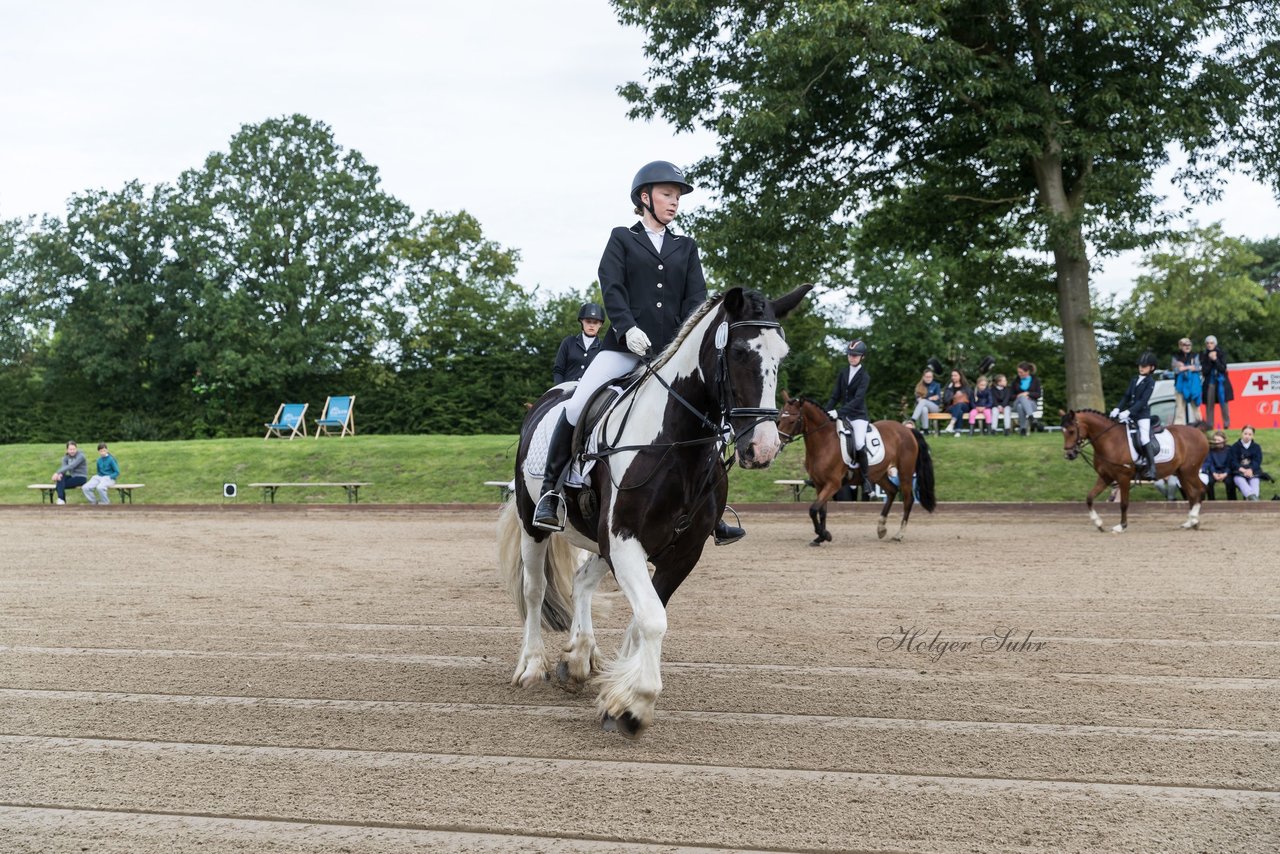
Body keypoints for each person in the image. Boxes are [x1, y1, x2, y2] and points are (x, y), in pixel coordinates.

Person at [533, 160, 745, 546]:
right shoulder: (622, 239)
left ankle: (711, 508)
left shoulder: (686, 247)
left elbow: (697, 300)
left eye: (677, 196)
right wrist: (627, 327)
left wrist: (685, 344)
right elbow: (612, 286)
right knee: (578, 404)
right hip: (625, 349)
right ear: (644, 197)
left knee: (706, 413)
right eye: (667, 194)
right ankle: (550, 491)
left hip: (672, 355)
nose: (674, 202)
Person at [826, 339, 872, 491]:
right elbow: (835, 395)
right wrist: (825, 411)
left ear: (862, 357)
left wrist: (838, 412)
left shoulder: (864, 376)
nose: (852, 357)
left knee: (859, 443)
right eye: (850, 355)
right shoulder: (843, 372)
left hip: (858, 416)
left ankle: (866, 479)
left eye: (855, 355)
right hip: (844, 416)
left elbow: (858, 399)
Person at [1111, 351, 1159, 479]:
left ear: (1152, 368)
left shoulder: (1150, 382)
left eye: (1145, 366)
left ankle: (1152, 468)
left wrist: (1128, 411)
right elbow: (1126, 396)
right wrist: (1117, 408)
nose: (1141, 368)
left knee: (1144, 437)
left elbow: (1143, 401)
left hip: (1142, 414)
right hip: (1131, 414)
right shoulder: (1134, 379)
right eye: (1140, 366)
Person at [552, 302, 605, 384]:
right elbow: (558, 370)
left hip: (591, 392)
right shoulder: (568, 342)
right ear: (582, 321)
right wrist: (560, 390)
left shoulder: (603, 348)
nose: (591, 325)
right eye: (588, 321)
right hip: (567, 390)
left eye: (595, 322)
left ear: (600, 324)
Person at [1201, 335, 1234, 431]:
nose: (1209, 345)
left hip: (1221, 383)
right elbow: (1205, 371)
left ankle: (1226, 424)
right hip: (1209, 383)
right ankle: (1210, 425)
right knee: (1209, 405)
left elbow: (1223, 368)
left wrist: (1215, 359)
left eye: (1211, 343)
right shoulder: (1204, 355)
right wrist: (1210, 361)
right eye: (1207, 343)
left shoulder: (1221, 353)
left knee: (1224, 404)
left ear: (1215, 344)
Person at [1171, 337, 1201, 426]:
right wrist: (1189, 367)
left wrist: (1184, 367)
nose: (1187, 347)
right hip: (1180, 385)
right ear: (1180, 346)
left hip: (1193, 385)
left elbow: (1198, 367)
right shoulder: (1176, 356)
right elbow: (1175, 369)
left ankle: (1200, 424)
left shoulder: (1195, 355)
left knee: (1196, 406)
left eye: (1189, 345)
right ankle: (1179, 426)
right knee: (1180, 406)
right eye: (1184, 345)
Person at [1229, 425, 1264, 501]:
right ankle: (1252, 498)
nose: (1247, 436)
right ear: (1241, 434)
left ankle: (1254, 500)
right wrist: (1243, 470)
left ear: (1253, 436)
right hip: (1238, 471)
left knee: (1254, 482)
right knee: (1240, 481)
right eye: (1245, 433)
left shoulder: (1256, 447)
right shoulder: (1235, 447)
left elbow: (1258, 460)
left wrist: (1250, 469)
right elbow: (1232, 461)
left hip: (1253, 471)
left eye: (1250, 434)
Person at [1201, 430, 1236, 501]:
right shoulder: (1211, 450)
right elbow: (1210, 462)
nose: (1217, 442)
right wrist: (1214, 473)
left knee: (1230, 482)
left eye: (1219, 440)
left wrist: (1225, 473)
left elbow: (1230, 463)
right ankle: (1211, 501)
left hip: (1226, 471)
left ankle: (1232, 501)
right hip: (1214, 471)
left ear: (1224, 440)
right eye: (1215, 440)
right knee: (1209, 482)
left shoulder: (1229, 449)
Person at [51, 440, 88, 505]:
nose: (72, 451)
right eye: (70, 449)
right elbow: (64, 468)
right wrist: (60, 474)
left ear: (76, 448)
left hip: (81, 477)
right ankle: (62, 500)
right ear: (67, 450)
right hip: (73, 476)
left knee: (59, 485)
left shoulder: (81, 456)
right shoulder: (65, 457)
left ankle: (61, 499)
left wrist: (57, 473)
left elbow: (72, 466)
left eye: (74, 449)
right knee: (60, 479)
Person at [1013, 362, 1042, 436]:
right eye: (1018, 372)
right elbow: (1010, 395)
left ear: (1027, 372)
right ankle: (1031, 417)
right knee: (1021, 399)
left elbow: (1038, 394)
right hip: (1016, 402)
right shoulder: (1016, 381)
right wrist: (1019, 396)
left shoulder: (1036, 380)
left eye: (1021, 372)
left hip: (1032, 404)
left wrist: (1028, 394)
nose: (1019, 374)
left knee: (1021, 406)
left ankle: (1022, 429)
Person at [939, 369, 971, 434]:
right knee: (959, 411)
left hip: (964, 406)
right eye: (952, 375)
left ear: (960, 376)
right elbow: (945, 400)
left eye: (955, 375)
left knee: (959, 405)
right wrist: (954, 396)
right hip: (951, 406)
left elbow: (970, 397)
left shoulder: (966, 386)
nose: (953, 377)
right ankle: (957, 431)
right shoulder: (949, 387)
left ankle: (951, 424)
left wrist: (962, 393)